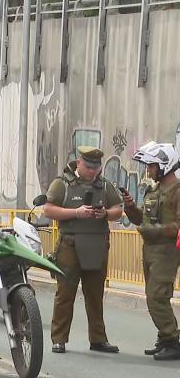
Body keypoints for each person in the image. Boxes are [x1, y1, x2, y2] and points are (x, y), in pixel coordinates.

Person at [43, 146, 123, 354]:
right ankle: (59, 339)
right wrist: (76, 213)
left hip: (97, 245)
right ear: (79, 163)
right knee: (65, 293)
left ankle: (98, 339)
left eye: (96, 168)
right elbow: (48, 209)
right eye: (88, 167)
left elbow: (118, 210)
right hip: (70, 243)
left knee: (95, 294)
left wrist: (105, 213)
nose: (92, 171)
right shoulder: (63, 184)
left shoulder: (104, 186)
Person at [122, 142, 180, 361]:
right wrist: (130, 207)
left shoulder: (177, 191)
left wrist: (153, 231)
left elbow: (178, 227)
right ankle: (165, 339)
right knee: (155, 297)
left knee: (157, 297)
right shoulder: (154, 191)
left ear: (165, 165)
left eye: (152, 166)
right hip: (150, 252)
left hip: (166, 253)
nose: (148, 171)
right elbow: (141, 219)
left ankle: (172, 341)